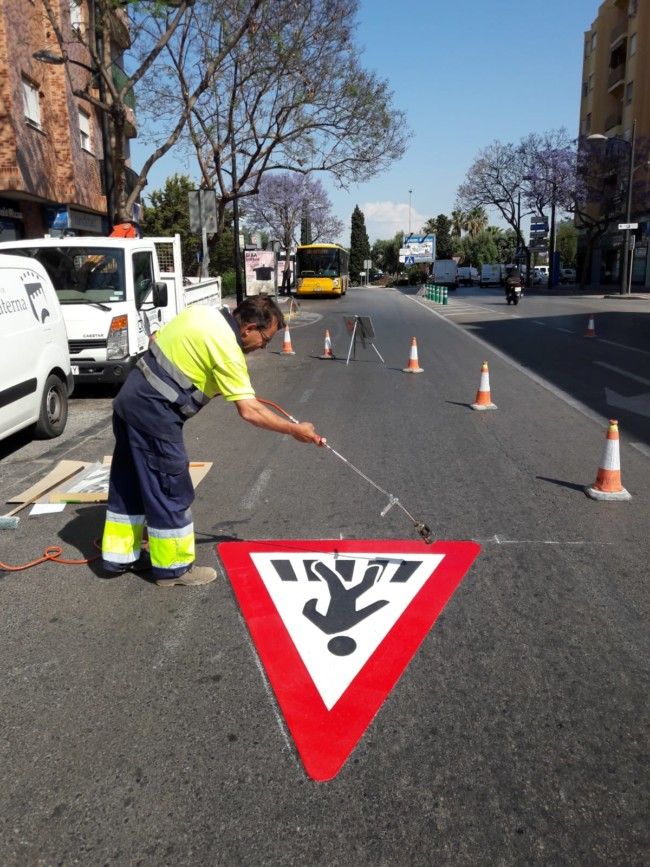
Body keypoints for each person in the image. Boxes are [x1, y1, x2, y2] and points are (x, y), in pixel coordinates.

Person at [101, 296, 323, 587]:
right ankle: (173, 569)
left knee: (129, 482)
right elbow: (250, 410)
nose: (263, 346)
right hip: (154, 416)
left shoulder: (202, 314)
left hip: (128, 403)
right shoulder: (228, 350)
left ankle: (119, 558)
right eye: (265, 339)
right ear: (249, 328)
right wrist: (294, 430)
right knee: (170, 488)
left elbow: (157, 339)